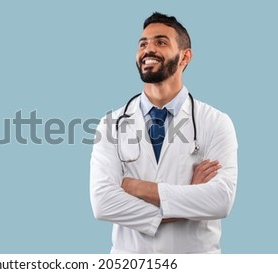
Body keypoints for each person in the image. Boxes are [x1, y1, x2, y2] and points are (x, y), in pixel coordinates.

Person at [89, 12, 238, 253]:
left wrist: (135, 187)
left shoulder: (216, 122)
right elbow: (103, 204)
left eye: (161, 42)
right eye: (143, 44)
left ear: (185, 57)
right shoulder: (111, 124)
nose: (148, 50)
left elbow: (220, 200)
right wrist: (189, 198)